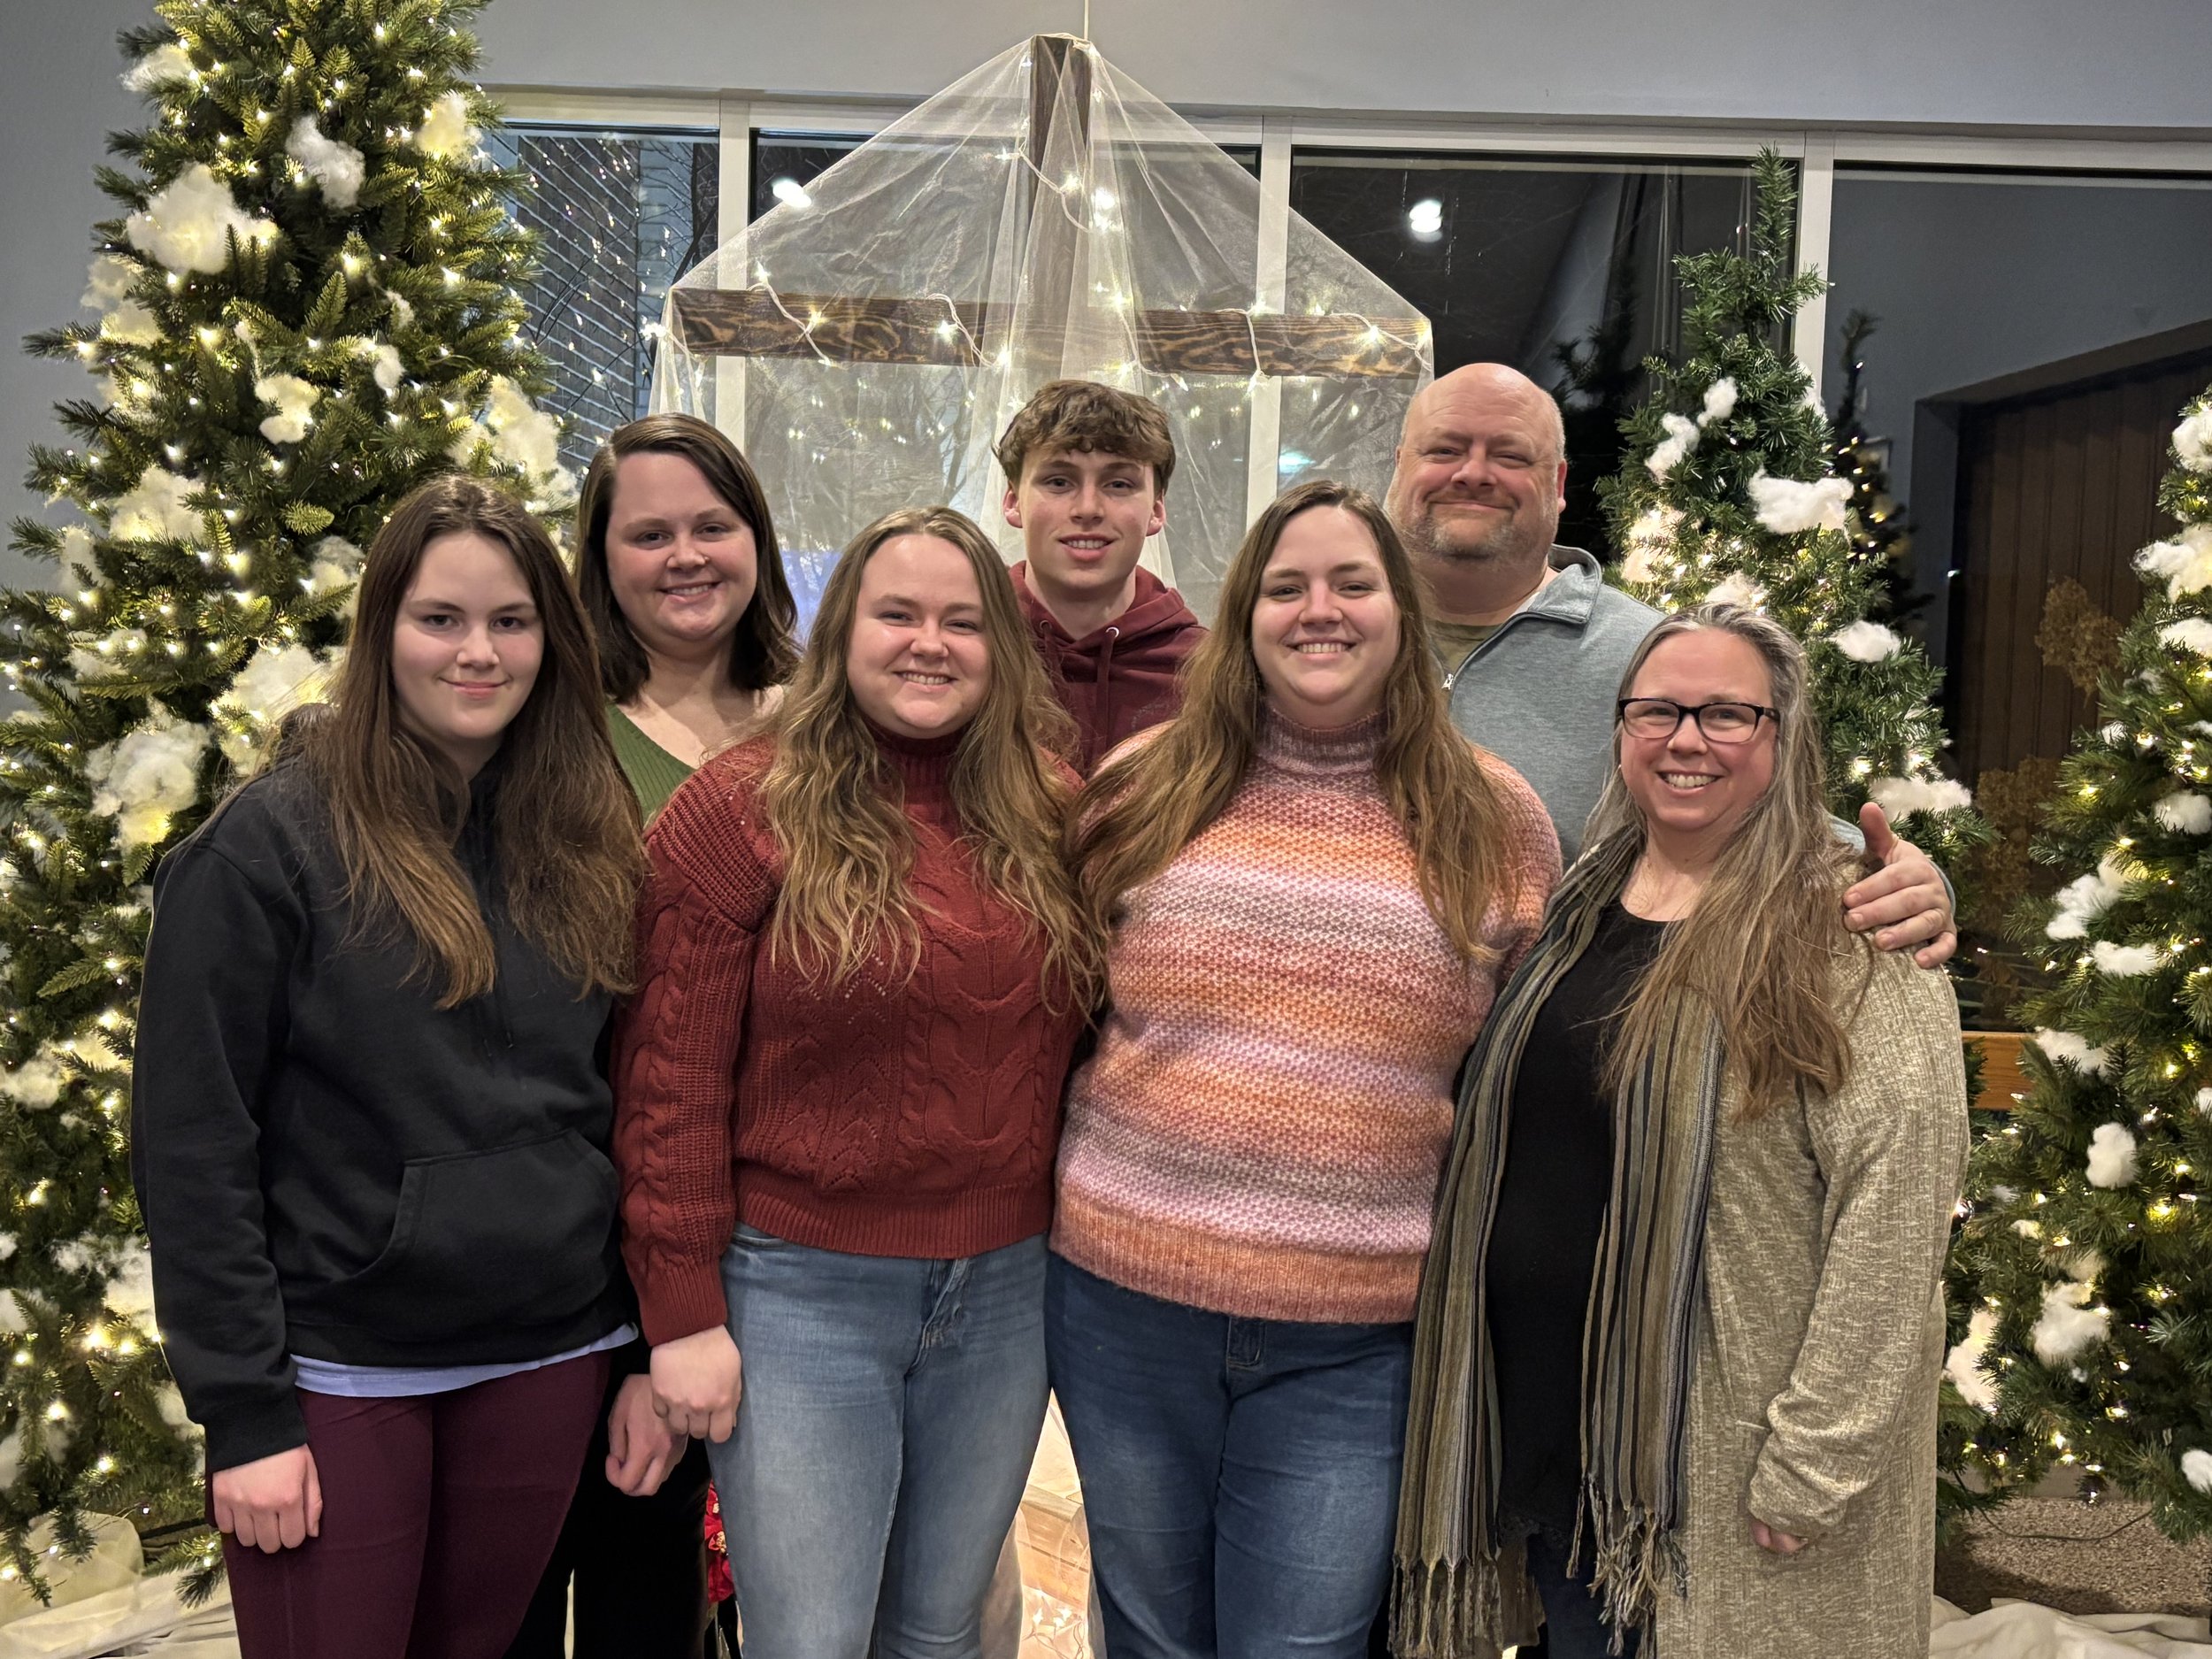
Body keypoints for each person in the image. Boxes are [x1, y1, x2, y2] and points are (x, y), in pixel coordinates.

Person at [133, 476, 648, 1659]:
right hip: (342, 1369)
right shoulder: (266, 845)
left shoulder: (582, 830)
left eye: (512, 620)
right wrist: (245, 1413)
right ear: (382, 631)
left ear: (551, 639)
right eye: (440, 617)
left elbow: (616, 1097)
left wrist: (633, 1337)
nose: (479, 650)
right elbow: (194, 1148)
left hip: (549, 1350)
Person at [1047, 480, 1563, 1659]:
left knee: (1305, 1639)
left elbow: (1545, 1054)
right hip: (1127, 1304)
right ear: (1246, 614)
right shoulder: (1141, 789)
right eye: (1286, 586)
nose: (1317, 610)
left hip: (1359, 1333)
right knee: (1150, 1632)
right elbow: (1060, 1013)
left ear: (1401, 609)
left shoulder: (1495, 819)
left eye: (1351, 583)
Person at [1395, 603, 1968, 1659]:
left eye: (1724, 714)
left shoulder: (1846, 928)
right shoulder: (1584, 896)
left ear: (1783, 740)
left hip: (1716, 1457)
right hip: (1560, 1436)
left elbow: (1893, 1213)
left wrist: (1816, 1458)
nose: (1684, 738)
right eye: (1655, 710)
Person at [611, 505, 1101, 1659]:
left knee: (938, 1627)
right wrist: (679, 1311)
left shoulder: (1057, 812)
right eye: (897, 613)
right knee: (812, 1636)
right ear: (843, 632)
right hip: (798, 1292)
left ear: (1003, 646)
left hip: (1004, 1292)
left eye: (962, 620)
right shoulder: (740, 810)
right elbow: (667, 1083)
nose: (928, 642)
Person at [507, 412, 799, 1659]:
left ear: (756, 539)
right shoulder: (553, 727)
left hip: (780, 1218)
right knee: (538, 1553)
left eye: (712, 525)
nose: (686, 555)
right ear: (601, 556)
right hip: (590, 1213)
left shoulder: (820, 723)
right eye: (650, 532)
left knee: (670, 1590)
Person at [1383, 361, 1958, 964]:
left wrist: (1912, 883)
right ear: (1400, 467)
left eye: (1509, 455)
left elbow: (1766, 816)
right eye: (1445, 449)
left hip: (1556, 1043)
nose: (1474, 473)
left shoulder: (1647, 655)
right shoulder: (1329, 641)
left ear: (1556, 483)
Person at [999, 378, 1206, 770]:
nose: (1088, 508)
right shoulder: (967, 651)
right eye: (1059, 481)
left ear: (1157, 511)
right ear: (1013, 502)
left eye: (1118, 484)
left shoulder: (1209, 673)